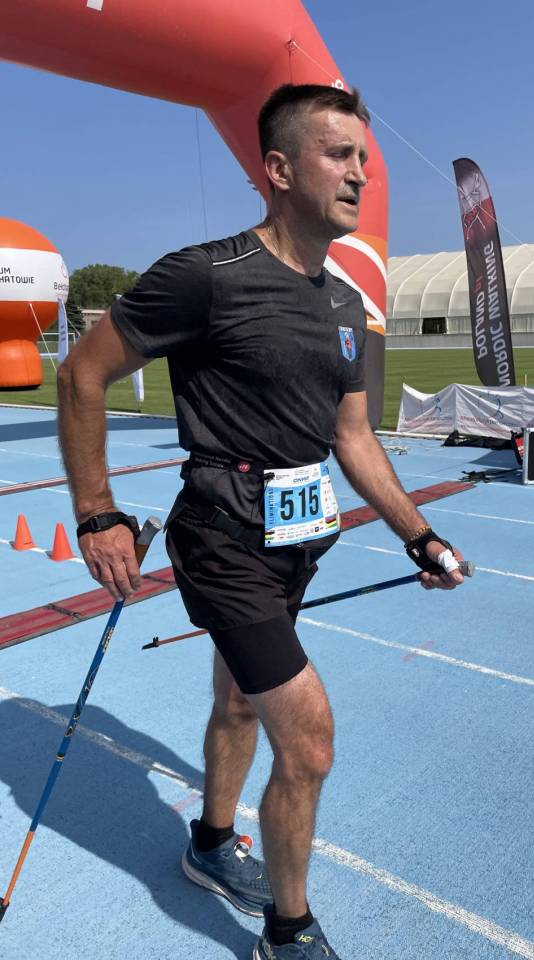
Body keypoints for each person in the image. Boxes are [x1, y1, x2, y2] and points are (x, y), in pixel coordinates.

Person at [57, 83, 466, 960]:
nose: (359, 174)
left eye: (363, 158)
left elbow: (353, 437)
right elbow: (82, 371)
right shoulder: (206, 275)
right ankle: (289, 933)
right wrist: (96, 513)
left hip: (297, 541)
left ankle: (209, 846)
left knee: (241, 697)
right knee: (308, 741)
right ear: (278, 170)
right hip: (220, 536)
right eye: (338, 154)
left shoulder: (346, 305)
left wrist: (419, 534)